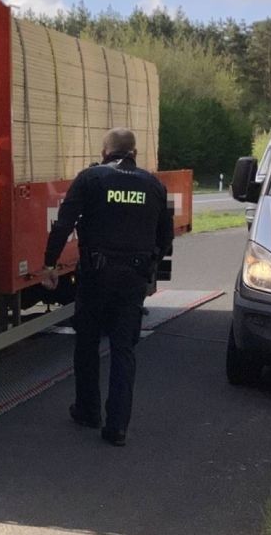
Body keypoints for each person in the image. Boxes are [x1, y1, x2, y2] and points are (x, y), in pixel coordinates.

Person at [41, 128, 173, 446]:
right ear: (135, 153)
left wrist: (49, 264)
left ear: (104, 152)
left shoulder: (90, 179)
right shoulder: (153, 185)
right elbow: (165, 238)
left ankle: (88, 411)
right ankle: (117, 427)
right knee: (123, 350)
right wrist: (149, 266)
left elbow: (63, 224)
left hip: (96, 278)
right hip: (133, 280)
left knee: (86, 344)